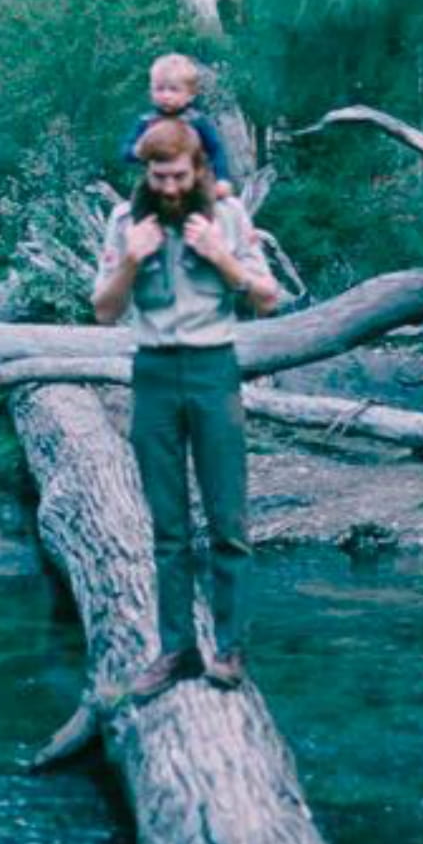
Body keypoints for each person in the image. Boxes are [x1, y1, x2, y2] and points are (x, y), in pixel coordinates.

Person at [93, 117, 279, 696]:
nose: (168, 188)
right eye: (158, 176)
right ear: (145, 172)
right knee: (167, 527)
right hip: (152, 374)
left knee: (229, 523)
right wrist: (129, 260)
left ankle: (229, 650)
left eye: (177, 176)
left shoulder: (227, 217)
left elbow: (268, 299)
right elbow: (103, 310)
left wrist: (222, 258)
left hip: (212, 369)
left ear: (198, 169)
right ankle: (176, 650)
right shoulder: (126, 222)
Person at [120, 52, 234, 198]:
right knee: (138, 205)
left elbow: (216, 150)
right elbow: (125, 152)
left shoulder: (197, 121)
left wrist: (222, 179)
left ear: (191, 94)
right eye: (160, 89)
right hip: (154, 184)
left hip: (194, 183)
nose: (166, 96)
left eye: (174, 89)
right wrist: (137, 151)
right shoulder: (147, 121)